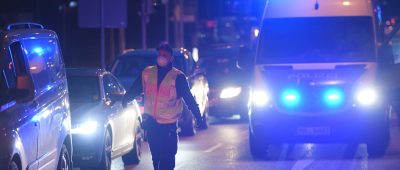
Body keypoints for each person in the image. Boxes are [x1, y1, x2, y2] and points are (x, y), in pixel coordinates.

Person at [122, 43, 204, 170]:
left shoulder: (177, 77)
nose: (161, 58)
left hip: (168, 125)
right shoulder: (148, 73)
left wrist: (198, 116)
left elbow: (189, 99)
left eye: (164, 55)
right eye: (160, 55)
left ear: (170, 58)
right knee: (156, 158)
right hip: (151, 123)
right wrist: (126, 99)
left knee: (167, 157)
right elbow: (135, 88)